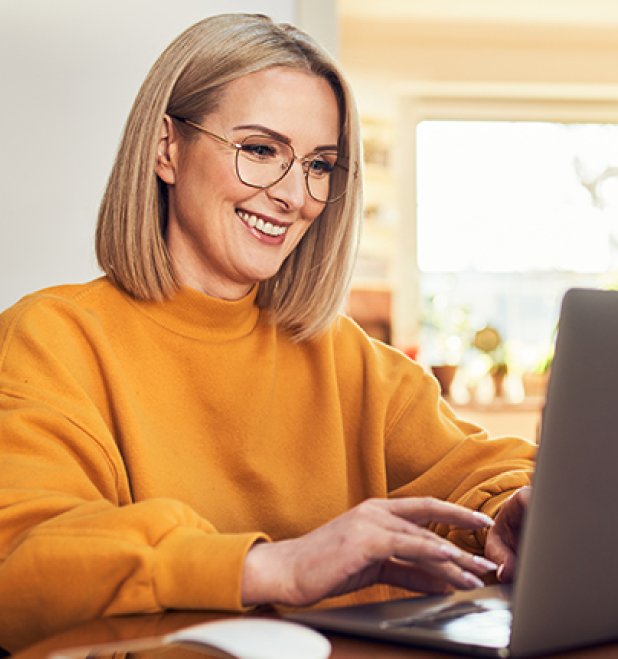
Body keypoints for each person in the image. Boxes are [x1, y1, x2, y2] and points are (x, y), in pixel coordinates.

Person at [0, 13, 536, 652]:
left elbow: (483, 465)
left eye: (320, 164)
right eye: (260, 150)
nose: (295, 195)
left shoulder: (347, 358)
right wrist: (275, 566)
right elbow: (25, 562)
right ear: (166, 148)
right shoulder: (54, 338)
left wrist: (517, 508)